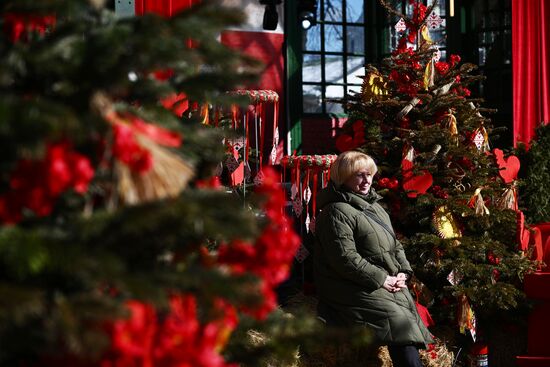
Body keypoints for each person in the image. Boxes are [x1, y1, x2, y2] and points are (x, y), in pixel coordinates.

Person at [313, 150, 433, 367]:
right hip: (347, 284)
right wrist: (382, 279)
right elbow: (345, 259)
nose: (366, 180)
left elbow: (394, 245)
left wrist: (403, 273)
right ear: (343, 177)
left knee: (407, 315)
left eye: (369, 174)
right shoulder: (335, 212)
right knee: (398, 321)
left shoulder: (376, 208)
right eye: (359, 175)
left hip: (379, 281)